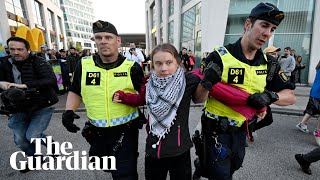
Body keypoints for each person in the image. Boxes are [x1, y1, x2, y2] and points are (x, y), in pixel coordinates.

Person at [195, 3, 296, 179]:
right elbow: (197, 99)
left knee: (233, 167)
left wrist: (270, 96)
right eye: (264, 25)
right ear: (248, 24)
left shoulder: (269, 64)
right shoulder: (219, 56)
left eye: (272, 29)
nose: (267, 34)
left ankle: (202, 167)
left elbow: (290, 96)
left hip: (241, 133)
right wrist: (206, 84)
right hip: (215, 133)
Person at [113, 43, 220, 180]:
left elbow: (199, 98)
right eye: (159, 63)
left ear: (177, 62)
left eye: (169, 62)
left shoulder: (188, 80)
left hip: (180, 150)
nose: (164, 68)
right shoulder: (149, 83)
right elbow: (140, 99)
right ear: (153, 65)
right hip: (154, 149)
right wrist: (124, 97)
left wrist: (207, 82)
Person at [61, 20, 144, 180]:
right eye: (99, 38)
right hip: (97, 131)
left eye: (108, 37)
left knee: (125, 173)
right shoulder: (84, 65)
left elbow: (144, 97)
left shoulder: (132, 67)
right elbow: (76, 91)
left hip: (125, 130)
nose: (103, 41)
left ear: (118, 41)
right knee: (103, 164)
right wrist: (69, 111)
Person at [0, 37, 59, 173]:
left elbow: (50, 80)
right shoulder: (3, 63)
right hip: (17, 108)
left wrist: (24, 85)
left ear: (28, 50)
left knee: (32, 136)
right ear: (8, 49)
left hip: (42, 105)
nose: (16, 52)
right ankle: (36, 159)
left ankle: (52, 146)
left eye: (20, 49)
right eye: (12, 49)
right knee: (20, 140)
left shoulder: (39, 62)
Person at [296, 60, 320, 145]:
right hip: (318, 93)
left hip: (315, 92)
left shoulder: (318, 68)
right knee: (313, 110)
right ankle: (317, 131)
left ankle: (302, 124)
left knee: (311, 110)